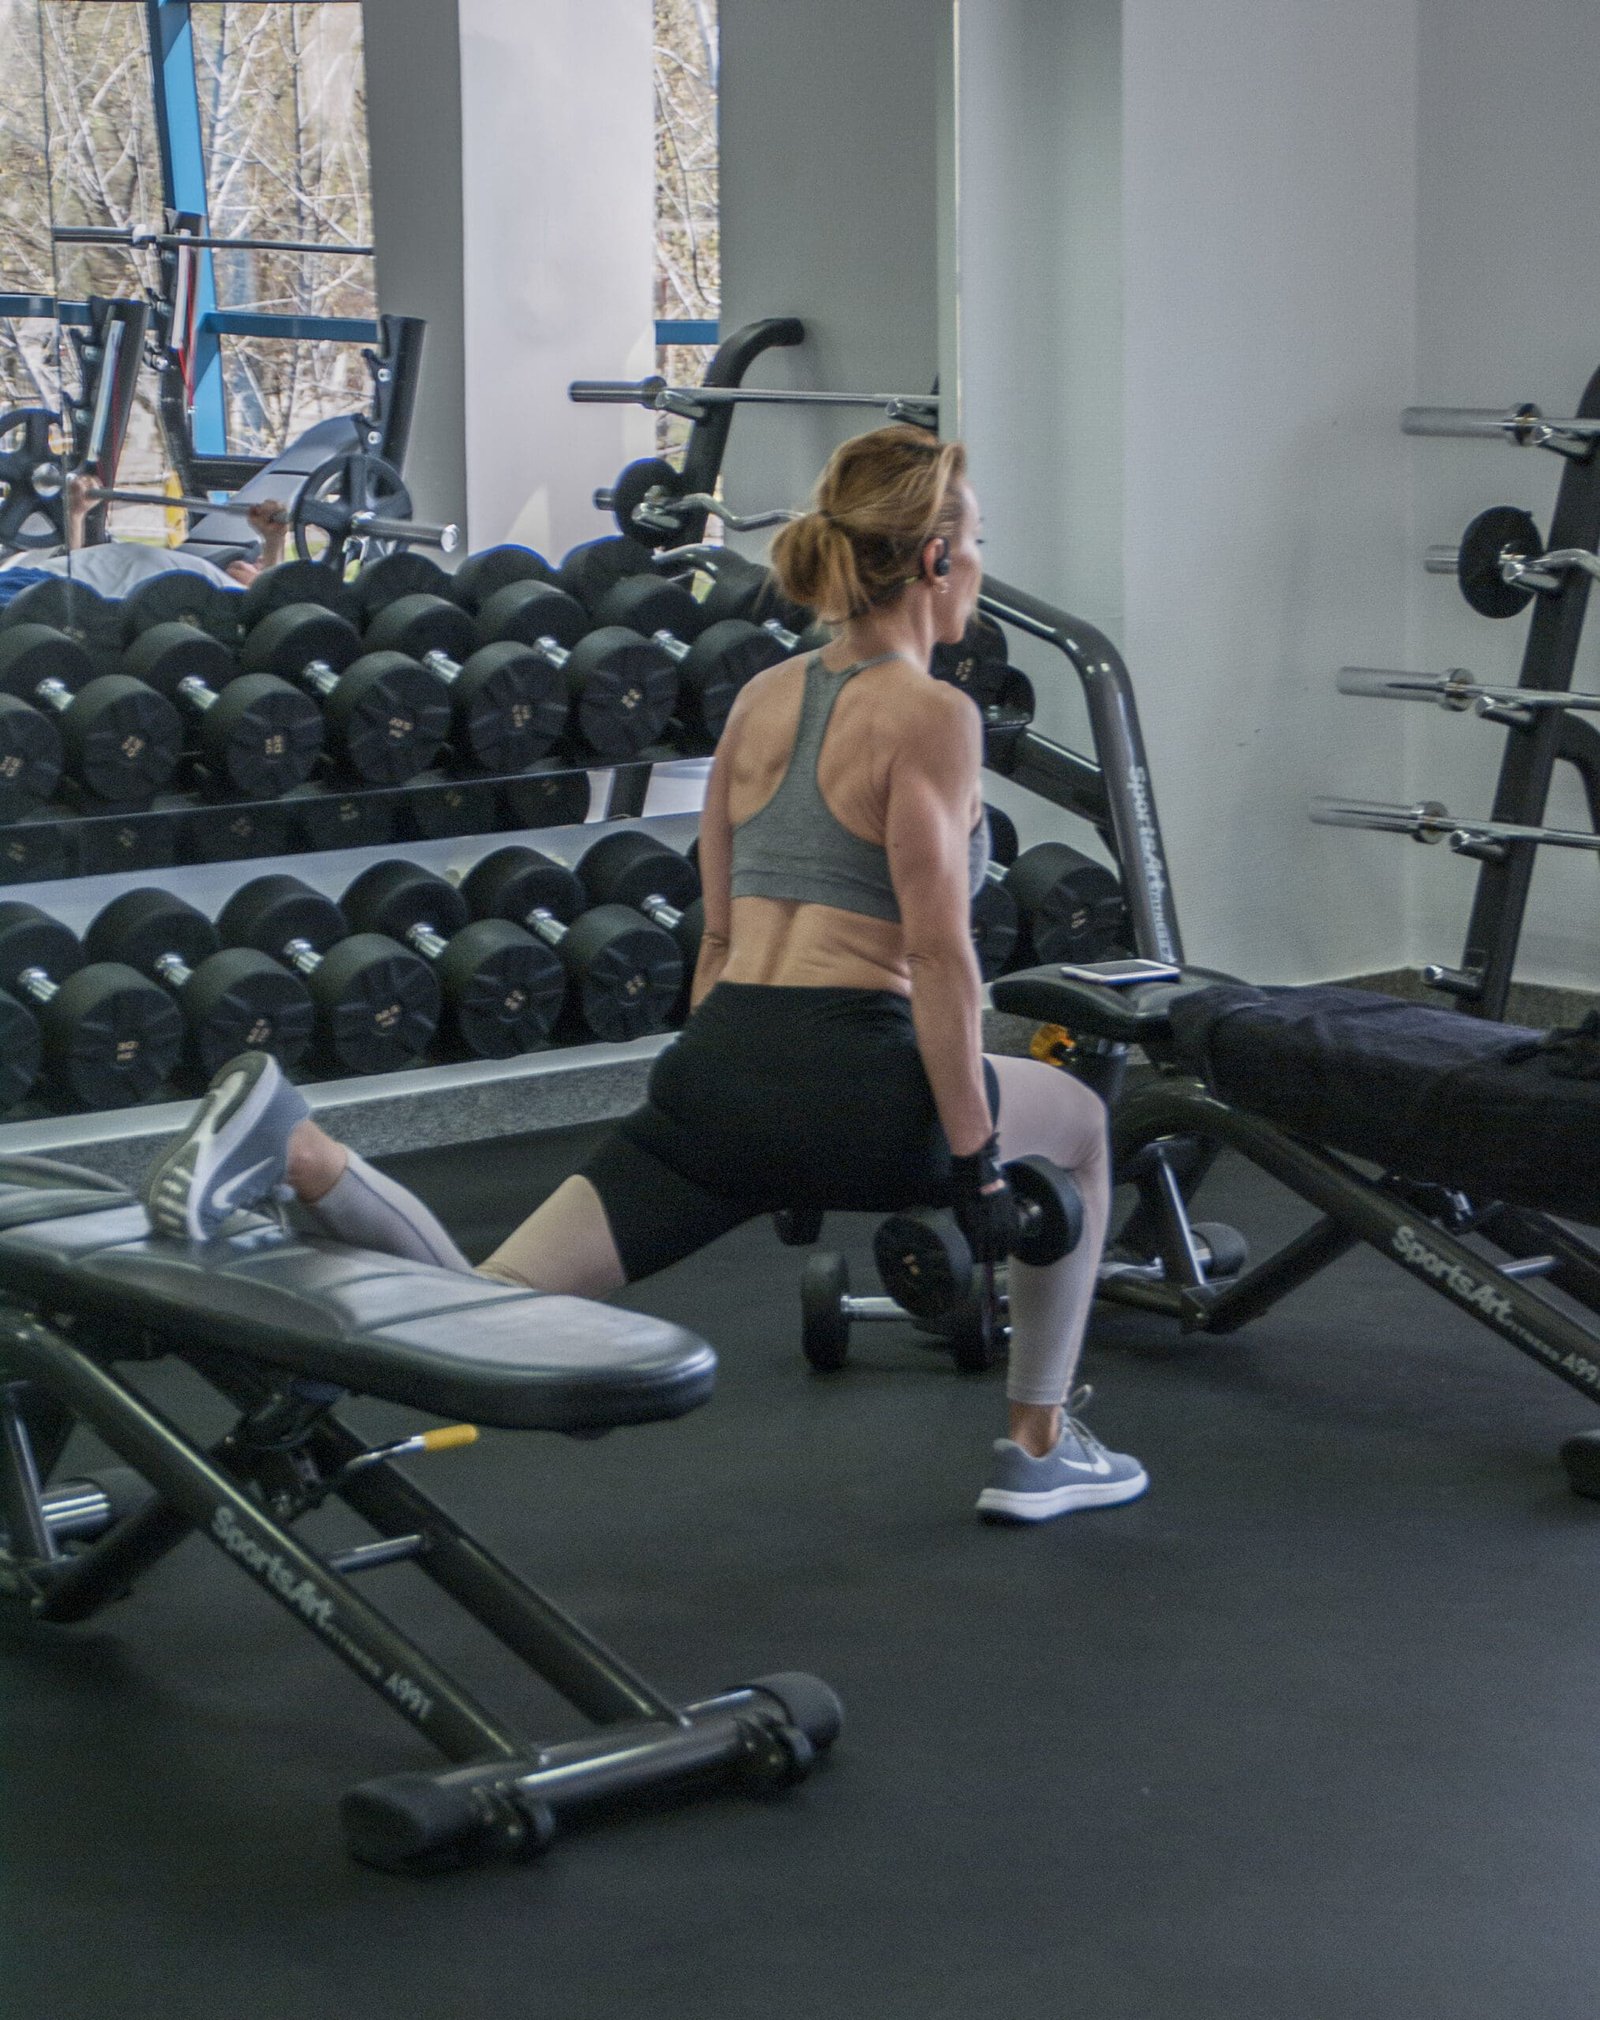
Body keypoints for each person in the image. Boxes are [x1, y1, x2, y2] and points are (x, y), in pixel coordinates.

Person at [139, 425, 1147, 1524]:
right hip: (858, 1073)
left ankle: (304, 1153)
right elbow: (940, 956)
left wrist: (754, 1132)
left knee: (477, 1309)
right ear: (937, 560)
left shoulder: (760, 698)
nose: (981, 568)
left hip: (715, 1067)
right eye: (979, 543)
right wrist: (978, 1165)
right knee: (1086, 1129)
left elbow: (715, 937)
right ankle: (1036, 1445)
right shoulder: (936, 714)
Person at [0, 471, 287, 603]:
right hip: (34, 578)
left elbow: (271, 608)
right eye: (260, 560)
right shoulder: (200, 570)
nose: (254, 562)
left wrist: (274, 541)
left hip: (50, 599)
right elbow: (77, 563)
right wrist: (76, 514)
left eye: (260, 565)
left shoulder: (226, 597)